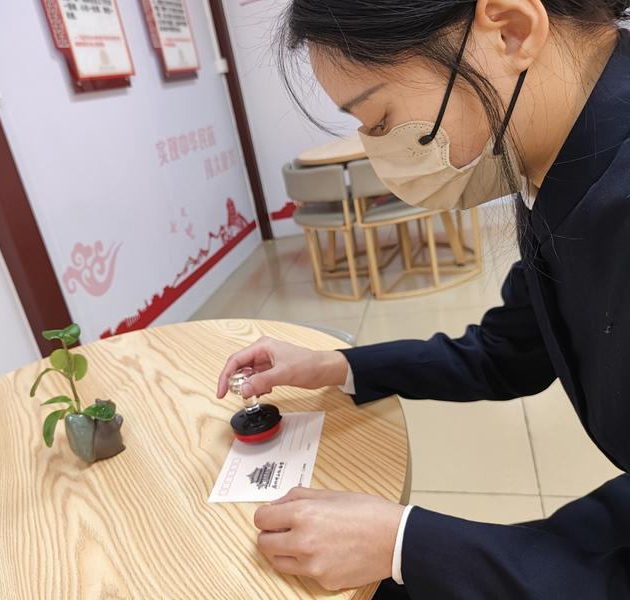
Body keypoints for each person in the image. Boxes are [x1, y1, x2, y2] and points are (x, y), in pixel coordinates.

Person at [216, 0, 630, 597]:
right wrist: (336, 365)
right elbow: (509, 351)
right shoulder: (559, 161)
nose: (379, 153)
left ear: (512, 31)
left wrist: (401, 544)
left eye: (380, 119)